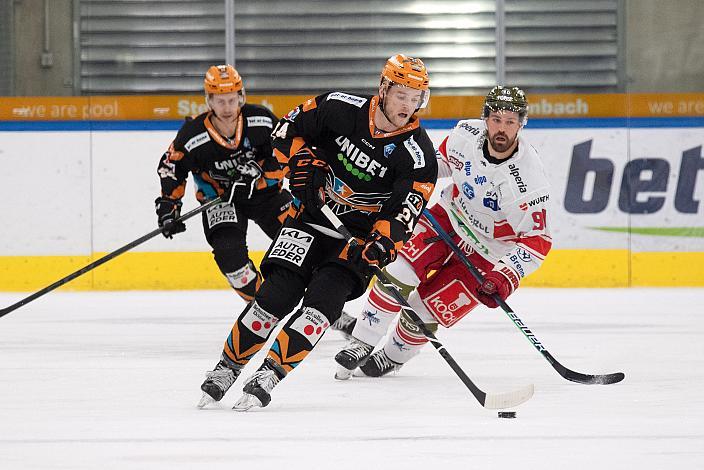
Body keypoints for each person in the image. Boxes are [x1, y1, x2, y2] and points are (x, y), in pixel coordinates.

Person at [197, 54, 438, 410]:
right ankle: (227, 368)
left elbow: (404, 213)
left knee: (320, 309)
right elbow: (286, 132)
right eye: (401, 94)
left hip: (355, 244)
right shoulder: (338, 107)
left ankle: (270, 373)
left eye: (415, 97)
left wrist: (381, 245)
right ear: (384, 88)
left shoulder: (418, 156)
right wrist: (302, 161)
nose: (407, 105)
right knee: (274, 298)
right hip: (309, 218)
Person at [333, 86, 552, 379]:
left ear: (521, 124)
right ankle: (361, 341)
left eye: (510, 122)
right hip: (447, 219)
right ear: (486, 117)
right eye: (496, 119)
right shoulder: (465, 134)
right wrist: (400, 178)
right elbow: (438, 165)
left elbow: (538, 240)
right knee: (397, 271)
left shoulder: (530, 179)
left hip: (489, 250)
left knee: (424, 313)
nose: (502, 128)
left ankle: (392, 357)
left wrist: (505, 275)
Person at [156, 65, 292, 302]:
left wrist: (258, 172)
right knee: (231, 260)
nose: (227, 108)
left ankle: (323, 305)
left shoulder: (261, 120)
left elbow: (287, 153)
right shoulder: (192, 135)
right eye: (220, 101)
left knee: (301, 244)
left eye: (231, 100)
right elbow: (172, 167)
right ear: (208, 100)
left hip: (266, 196)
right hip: (221, 201)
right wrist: (169, 207)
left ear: (242, 96)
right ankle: (265, 307)